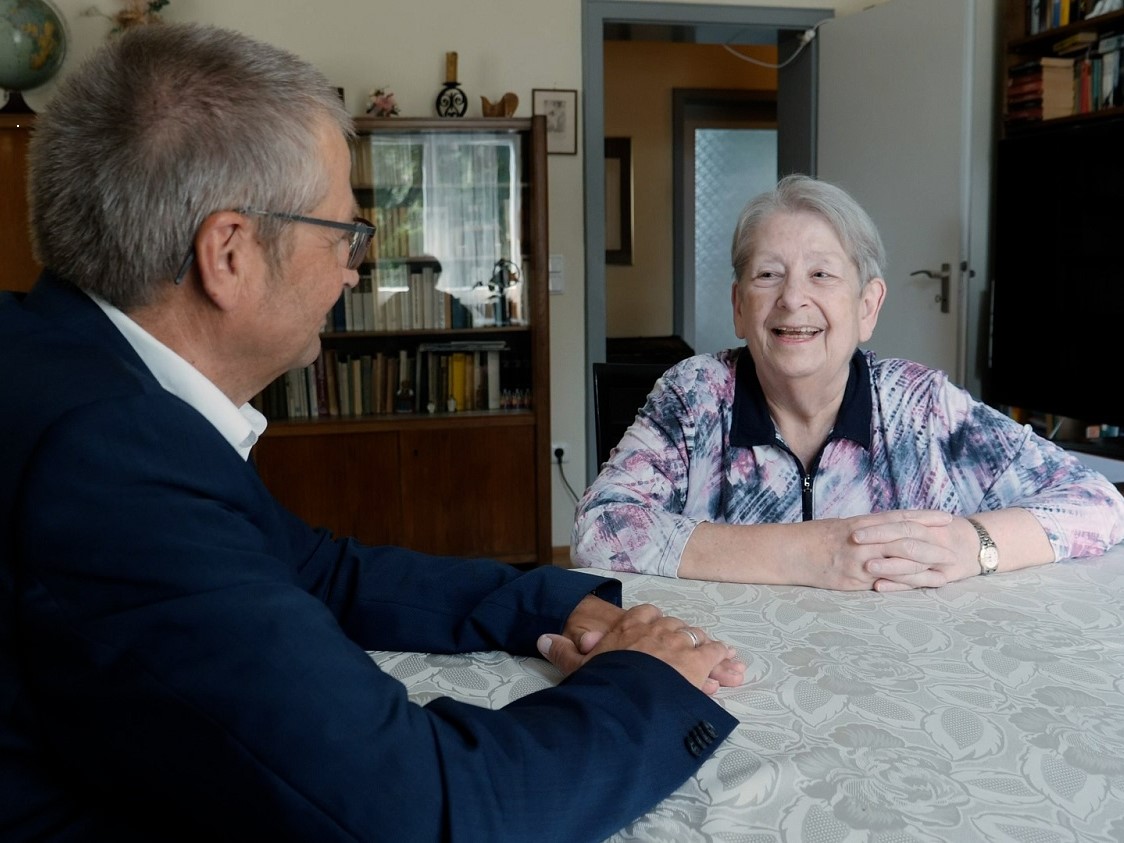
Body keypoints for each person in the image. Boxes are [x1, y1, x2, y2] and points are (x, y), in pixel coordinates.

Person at [0, 23, 747, 842]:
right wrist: (646, 676)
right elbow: (422, 811)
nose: (357, 268)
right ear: (230, 253)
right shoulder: (106, 458)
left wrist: (561, 601)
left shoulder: (65, 363)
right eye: (346, 232)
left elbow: (314, 570)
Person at [573, 174, 1124, 590]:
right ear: (740, 308)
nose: (792, 299)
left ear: (867, 305)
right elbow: (599, 529)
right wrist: (811, 553)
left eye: (821, 274)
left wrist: (973, 544)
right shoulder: (693, 397)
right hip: (733, 672)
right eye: (768, 275)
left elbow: (1097, 501)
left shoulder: (921, 406)